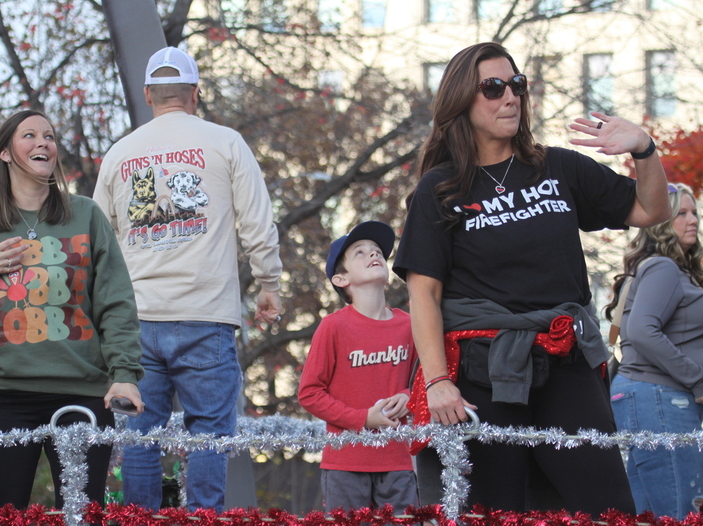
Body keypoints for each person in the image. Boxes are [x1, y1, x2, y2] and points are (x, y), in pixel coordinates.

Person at [392, 42, 671, 515]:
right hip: (483, 369)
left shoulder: (556, 166)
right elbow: (424, 294)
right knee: (495, 511)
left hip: (565, 359)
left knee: (607, 509)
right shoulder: (439, 188)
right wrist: (438, 380)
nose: (510, 97)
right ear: (463, 99)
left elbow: (651, 209)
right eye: (494, 87)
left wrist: (644, 149)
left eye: (517, 84)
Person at [93, 46, 283, 512]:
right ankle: (203, 521)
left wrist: (103, 313)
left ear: (148, 95)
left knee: (140, 439)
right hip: (206, 315)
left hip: (138, 319)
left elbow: (98, 240)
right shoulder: (225, 142)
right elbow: (257, 221)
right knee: (209, 436)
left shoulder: (120, 153)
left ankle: (141, 522)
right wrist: (268, 284)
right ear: (195, 93)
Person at [0, 110, 144, 512]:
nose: (43, 142)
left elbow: (116, 302)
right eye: (29, 135)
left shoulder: (86, 215)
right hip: (3, 396)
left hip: (82, 395)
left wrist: (125, 375)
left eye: (49, 135)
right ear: (6, 153)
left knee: (83, 518)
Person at [298, 221, 418, 514]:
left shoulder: (410, 324)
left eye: (377, 251)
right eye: (360, 253)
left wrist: (409, 396)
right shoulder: (333, 327)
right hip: (345, 464)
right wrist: (363, 418)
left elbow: (425, 379)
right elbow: (309, 393)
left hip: (399, 462)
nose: (373, 254)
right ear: (341, 279)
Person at [606, 182, 703, 518]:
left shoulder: (667, 269)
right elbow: (642, 332)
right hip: (660, 396)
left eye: (695, 213)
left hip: (652, 396)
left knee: (650, 513)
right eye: (682, 213)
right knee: (679, 511)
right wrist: (698, 379)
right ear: (662, 221)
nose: (693, 220)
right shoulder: (663, 268)